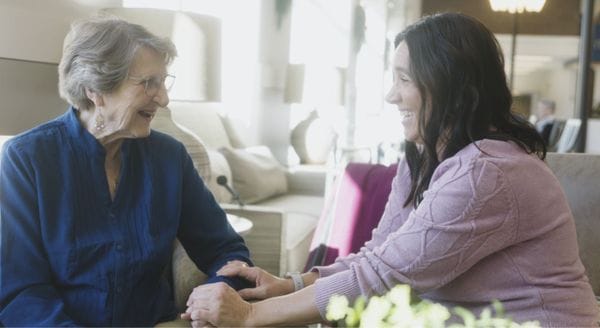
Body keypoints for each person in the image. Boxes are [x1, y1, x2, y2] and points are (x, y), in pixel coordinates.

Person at [181, 13, 600, 327]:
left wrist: (249, 316)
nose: (390, 95)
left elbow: (383, 277)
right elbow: (379, 255)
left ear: (448, 84)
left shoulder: (487, 172)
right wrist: (290, 285)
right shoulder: (423, 156)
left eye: (403, 79)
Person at [0, 17, 253, 326]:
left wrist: (220, 292)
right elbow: (20, 291)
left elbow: (226, 249)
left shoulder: (169, 158)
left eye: (163, 82)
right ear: (96, 89)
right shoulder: (27, 160)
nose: (163, 98)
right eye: (149, 83)